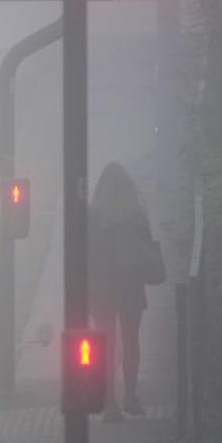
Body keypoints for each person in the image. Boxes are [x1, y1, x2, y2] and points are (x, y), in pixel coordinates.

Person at [88, 162, 162, 420]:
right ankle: (130, 395)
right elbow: (146, 248)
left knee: (105, 345)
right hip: (130, 285)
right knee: (131, 340)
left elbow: (84, 253)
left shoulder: (93, 215)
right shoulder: (136, 214)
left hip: (101, 288)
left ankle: (109, 402)